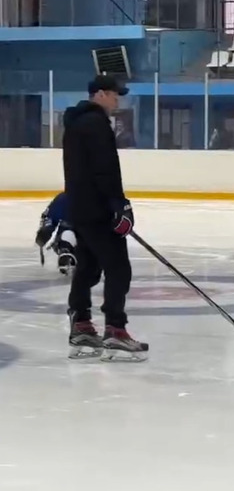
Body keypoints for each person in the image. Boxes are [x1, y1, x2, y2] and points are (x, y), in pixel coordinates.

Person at [63, 75, 146, 361]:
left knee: (87, 267)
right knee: (118, 268)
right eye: (114, 95)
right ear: (99, 94)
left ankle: (82, 323)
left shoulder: (75, 123)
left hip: (80, 209)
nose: (117, 101)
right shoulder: (96, 124)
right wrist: (119, 206)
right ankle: (115, 330)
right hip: (99, 210)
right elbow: (105, 169)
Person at [35, 191, 77, 275]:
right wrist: (45, 230)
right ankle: (66, 250)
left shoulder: (101, 196)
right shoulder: (64, 199)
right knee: (67, 235)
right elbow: (49, 218)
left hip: (95, 235)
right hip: (72, 234)